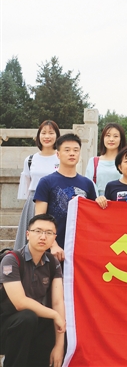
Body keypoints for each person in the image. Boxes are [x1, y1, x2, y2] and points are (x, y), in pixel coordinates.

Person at [0, 214, 65, 367]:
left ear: (54, 238)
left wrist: (59, 345)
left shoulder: (53, 263)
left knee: (48, 323)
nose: (43, 237)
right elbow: (20, 303)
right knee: (28, 317)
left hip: (32, 324)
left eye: (49, 233)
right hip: (6, 325)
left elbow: (57, 302)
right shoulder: (12, 259)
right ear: (28, 234)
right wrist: (55, 315)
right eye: (38, 231)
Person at [34, 133, 97, 261]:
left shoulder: (87, 184)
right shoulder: (46, 182)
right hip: (52, 249)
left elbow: (92, 217)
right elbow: (39, 218)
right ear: (58, 154)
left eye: (76, 150)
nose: (72, 154)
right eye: (67, 150)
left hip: (80, 247)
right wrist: (53, 245)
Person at [14, 120, 61, 250]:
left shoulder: (61, 158)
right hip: (34, 202)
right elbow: (27, 184)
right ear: (38, 136)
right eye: (43, 133)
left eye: (51, 133)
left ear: (57, 136)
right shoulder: (30, 160)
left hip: (55, 201)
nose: (47, 136)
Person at [85, 123, 126, 196]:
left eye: (115, 136)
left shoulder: (126, 162)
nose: (111, 139)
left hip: (119, 201)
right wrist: (98, 199)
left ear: (121, 139)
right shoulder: (93, 161)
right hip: (96, 201)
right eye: (108, 135)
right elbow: (88, 185)